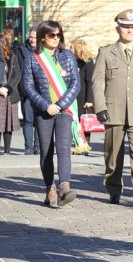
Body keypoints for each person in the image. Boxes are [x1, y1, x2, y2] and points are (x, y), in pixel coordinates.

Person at [92, 9, 133, 207]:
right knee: (113, 155)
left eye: (132, 27)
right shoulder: (106, 52)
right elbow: (97, 82)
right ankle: (114, 189)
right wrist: (100, 107)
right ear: (118, 28)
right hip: (113, 110)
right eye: (125, 27)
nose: (129, 30)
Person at [22, 21, 80, 207]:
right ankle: (50, 189)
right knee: (46, 151)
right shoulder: (33, 58)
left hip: (64, 110)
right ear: (43, 37)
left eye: (58, 35)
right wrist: (46, 105)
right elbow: (28, 86)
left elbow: (75, 84)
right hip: (43, 112)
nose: (56, 38)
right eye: (51, 35)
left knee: (63, 148)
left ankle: (65, 187)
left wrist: (61, 105)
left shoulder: (67, 56)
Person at [15, 26, 39, 155]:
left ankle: (38, 147)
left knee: (39, 121)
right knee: (28, 120)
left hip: (40, 91)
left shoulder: (43, 50)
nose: (32, 40)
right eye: (31, 37)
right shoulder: (21, 49)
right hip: (26, 90)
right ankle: (28, 147)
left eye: (35, 37)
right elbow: (18, 70)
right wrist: (20, 89)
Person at [70, 37, 95, 145]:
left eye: (71, 47)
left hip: (83, 98)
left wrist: (89, 100)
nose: (69, 49)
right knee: (75, 122)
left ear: (78, 48)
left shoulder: (88, 62)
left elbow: (90, 82)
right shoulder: (72, 61)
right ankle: (77, 143)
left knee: (84, 122)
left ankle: (84, 144)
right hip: (73, 98)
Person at [0, 35, 21, 155]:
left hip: (10, 94)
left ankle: (7, 150)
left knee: (8, 123)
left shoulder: (12, 57)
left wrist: (7, 88)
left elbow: (17, 75)